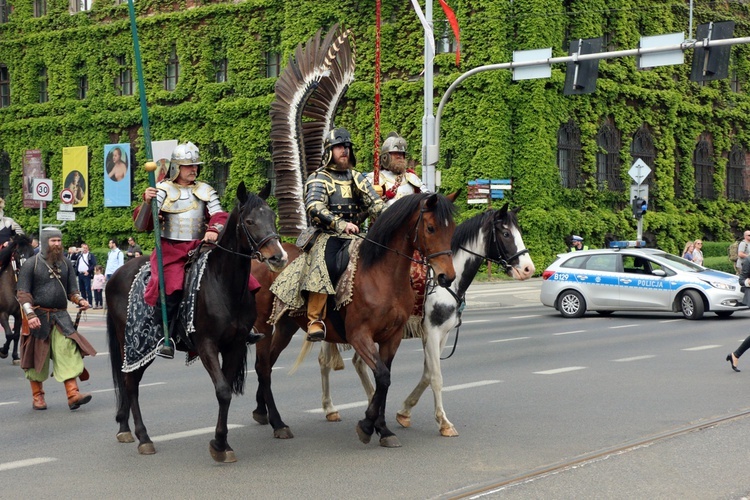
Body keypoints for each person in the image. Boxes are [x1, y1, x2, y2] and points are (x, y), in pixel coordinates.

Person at [135, 141, 263, 346]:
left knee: (245, 280)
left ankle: (244, 325)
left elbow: (220, 216)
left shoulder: (206, 190)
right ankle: (164, 332)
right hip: (172, 249)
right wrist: (147, 203)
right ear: (177, 167)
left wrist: (213, 230)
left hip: (201, 246)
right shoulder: (161, 190)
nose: (194, 169)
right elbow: (142, 225)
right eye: (189, 165)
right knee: (172, 284)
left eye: (196, 165)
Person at [271, 128, 384, 342]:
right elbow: (314, 206)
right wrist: (341, 224)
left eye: (347, 147)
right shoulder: (319, 178)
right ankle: (315, 318)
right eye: (340, 147)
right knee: (325, 264)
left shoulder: (357, 177)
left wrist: (392, 215)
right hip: (326, 234)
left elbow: (375, 203)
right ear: (329, 151)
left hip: (355, 235)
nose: (345, 151)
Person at [17, 226, 96, 410]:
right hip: (38, 317)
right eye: (53, 241)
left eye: (59, 240)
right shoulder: (31, 264)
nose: (57, 244)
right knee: (37, 359)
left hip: (61, 317)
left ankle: (73, 394)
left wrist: (80, 299)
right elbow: (23, 293)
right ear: (45, 242)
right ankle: (38, 397)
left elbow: (72, 291)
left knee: (68, 351)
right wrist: (30, 315)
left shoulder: (67, 263)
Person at [366, 132, 427, 205]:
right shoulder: (374, 178)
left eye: (401, 153)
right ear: (385, 157)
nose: (399, 156)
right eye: (395, 153)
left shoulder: (412, 178)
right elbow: (365, 205)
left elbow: (427, 200)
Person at [727, 257, 750, 372]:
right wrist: (748, 282)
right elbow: (742, 280)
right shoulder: (748, 260)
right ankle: (736, 354)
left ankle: (735, 355)